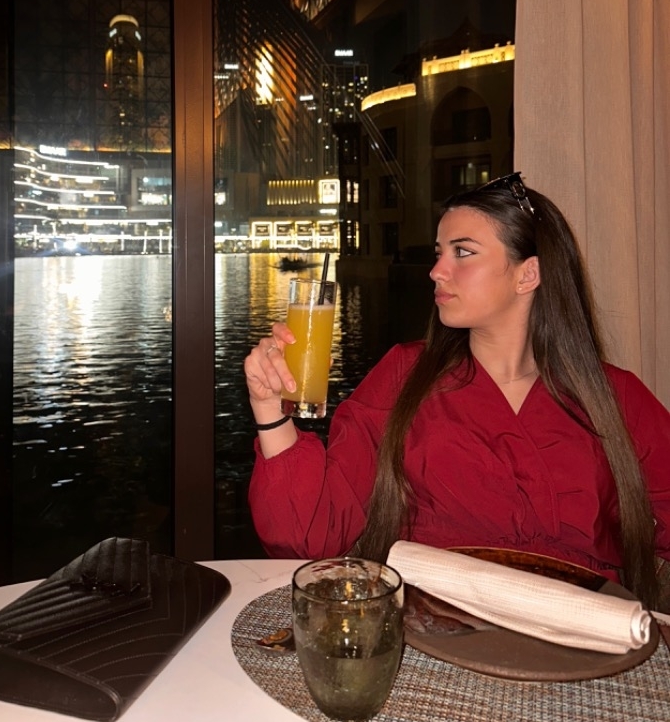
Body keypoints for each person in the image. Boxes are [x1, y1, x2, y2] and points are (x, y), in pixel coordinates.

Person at [244, 173, 670, 609]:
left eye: (462, 252)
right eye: (439, 253)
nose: (436, 271)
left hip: (581, 636)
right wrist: (270, 408)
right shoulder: (404, 377)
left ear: (528, 274)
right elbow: (309, 536)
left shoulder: (615, 397)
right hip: (433, 631)